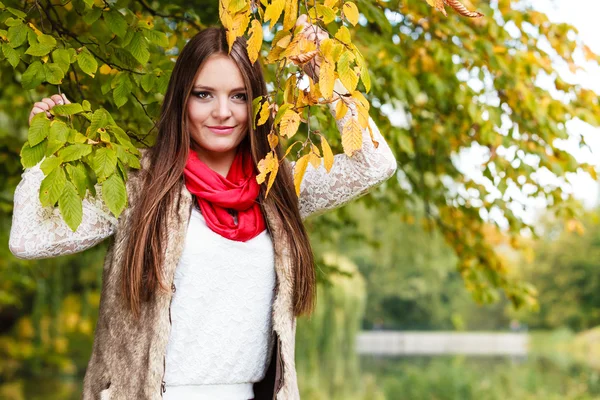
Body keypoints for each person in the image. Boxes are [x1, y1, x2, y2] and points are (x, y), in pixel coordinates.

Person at [9, 17, 397, 400]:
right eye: (204, 94)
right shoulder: (139, 185)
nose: (223, 112)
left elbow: (375, 164)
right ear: (182, 99)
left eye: (239, 96)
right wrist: (44, 152)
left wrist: (322, 70)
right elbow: (30, 240)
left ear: (257, 103)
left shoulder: (277, 185)